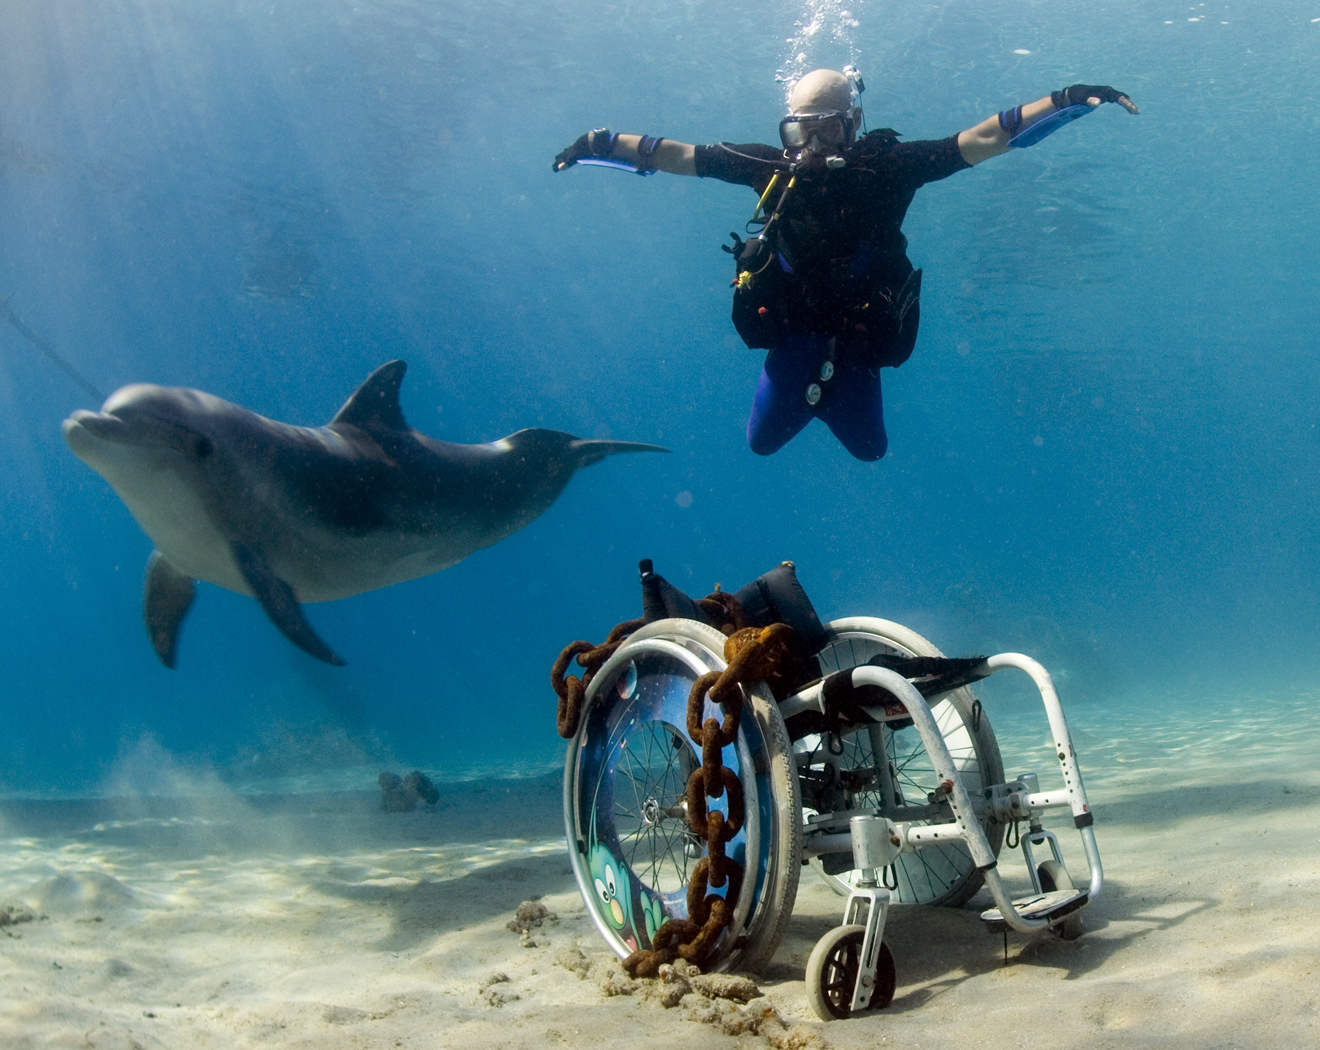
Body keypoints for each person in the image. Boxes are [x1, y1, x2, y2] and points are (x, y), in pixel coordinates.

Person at [554, 69, 1138, 461]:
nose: (813, 144)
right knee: (760, 444)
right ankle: (815, 389)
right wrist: (598, 142)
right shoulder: (768, 168)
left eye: (828, 127)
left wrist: (1063, 100)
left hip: (859, 344)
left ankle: (826, 391)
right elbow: (674, 155)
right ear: (787, 128)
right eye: (800, 130)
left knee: (870, 451)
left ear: (853, 123)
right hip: (793, 338)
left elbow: (984, 137)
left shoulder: (891, 165)